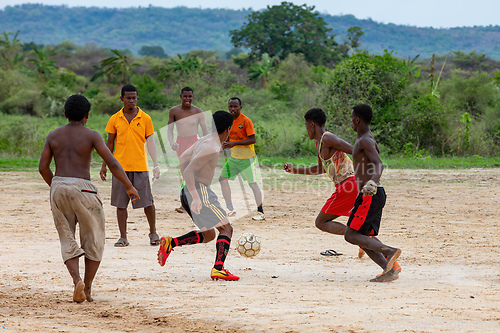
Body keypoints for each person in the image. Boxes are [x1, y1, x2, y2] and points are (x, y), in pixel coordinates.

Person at [39, 94, 140, 303]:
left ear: (65, 114)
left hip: (59, 185)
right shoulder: (92, 135)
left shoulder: (53, 135)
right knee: (93, 239)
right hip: (84, 189)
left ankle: (76, 281)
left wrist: (57, 186)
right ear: (87, 115)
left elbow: (43, 168)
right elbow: (112, 163)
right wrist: (129, 186)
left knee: (67, 237)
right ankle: (88, 287)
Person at [157, 111, 240, 281]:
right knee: (226, 229)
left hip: (189, 190)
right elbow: (189, 170)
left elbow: (183, 159)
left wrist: (187, 187)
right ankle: (218, 268)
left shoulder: (204, 140)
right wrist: (195, 195)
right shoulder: (212, 147)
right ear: (229, 128)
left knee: (209, 234)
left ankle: (171, 242)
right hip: (200, 192)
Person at [344, 104, 402, 282]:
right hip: (375, 194)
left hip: (370, 194)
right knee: (363, 237)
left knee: (351, 235)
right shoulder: (367, 138)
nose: (351, 122)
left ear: (357, 119)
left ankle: (390, 252)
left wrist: (371, 182)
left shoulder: (364, 140)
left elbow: (379, 163)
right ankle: (389, 270)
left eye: (352, 118)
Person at [100, 84, 161, 247]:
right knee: (121, 204)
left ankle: (153, 233)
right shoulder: (115, 118)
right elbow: (109, 143)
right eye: (128, 98)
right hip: (119, 168)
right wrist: (104, 165)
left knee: (147, 202)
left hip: (140, 166)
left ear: (137, 99)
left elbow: (151, 143)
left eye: (134, 98)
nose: (131, 101)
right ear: (122, 99)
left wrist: (156, 164)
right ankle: (123, 237)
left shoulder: (145, 118)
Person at [284, 107, 358, 240]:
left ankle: (361, 236)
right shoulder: (320, 144)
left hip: (348, 185)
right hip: (347, 186)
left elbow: (355, 150)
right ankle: (367, 241)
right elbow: (321, 169)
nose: (307, 131)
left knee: (321, 222)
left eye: (306, 127)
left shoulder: (328, 138)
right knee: (351, 223)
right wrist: (295, 170)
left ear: (312, 124)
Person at [219, 97, 265, 221]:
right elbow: (227, 138)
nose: (233, 109)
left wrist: (234, 144)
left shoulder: (246, 121)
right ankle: (230, 209)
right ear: (228, 107)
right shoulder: (228, 121)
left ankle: (261, 212)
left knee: (253, 184)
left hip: (247, 159)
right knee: (223, 179)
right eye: (230, 106)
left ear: (240, 107)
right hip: (234, 158)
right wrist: (222, 147)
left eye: (235, 106)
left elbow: (253, 139)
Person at [168, 87, 208, 213]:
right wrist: (172, 143)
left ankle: (198, 201)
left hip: (194, 143)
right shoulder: (174, 111)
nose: (187, 99)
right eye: (185, 96)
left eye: (190, 97)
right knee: (184, 173)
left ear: (193, 97)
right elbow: (170, 129)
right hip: (180, 143)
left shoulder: (198, 112)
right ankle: (185, 203)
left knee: (194, 172)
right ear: (181, 96)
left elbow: (205, 131)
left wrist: (204, 144)